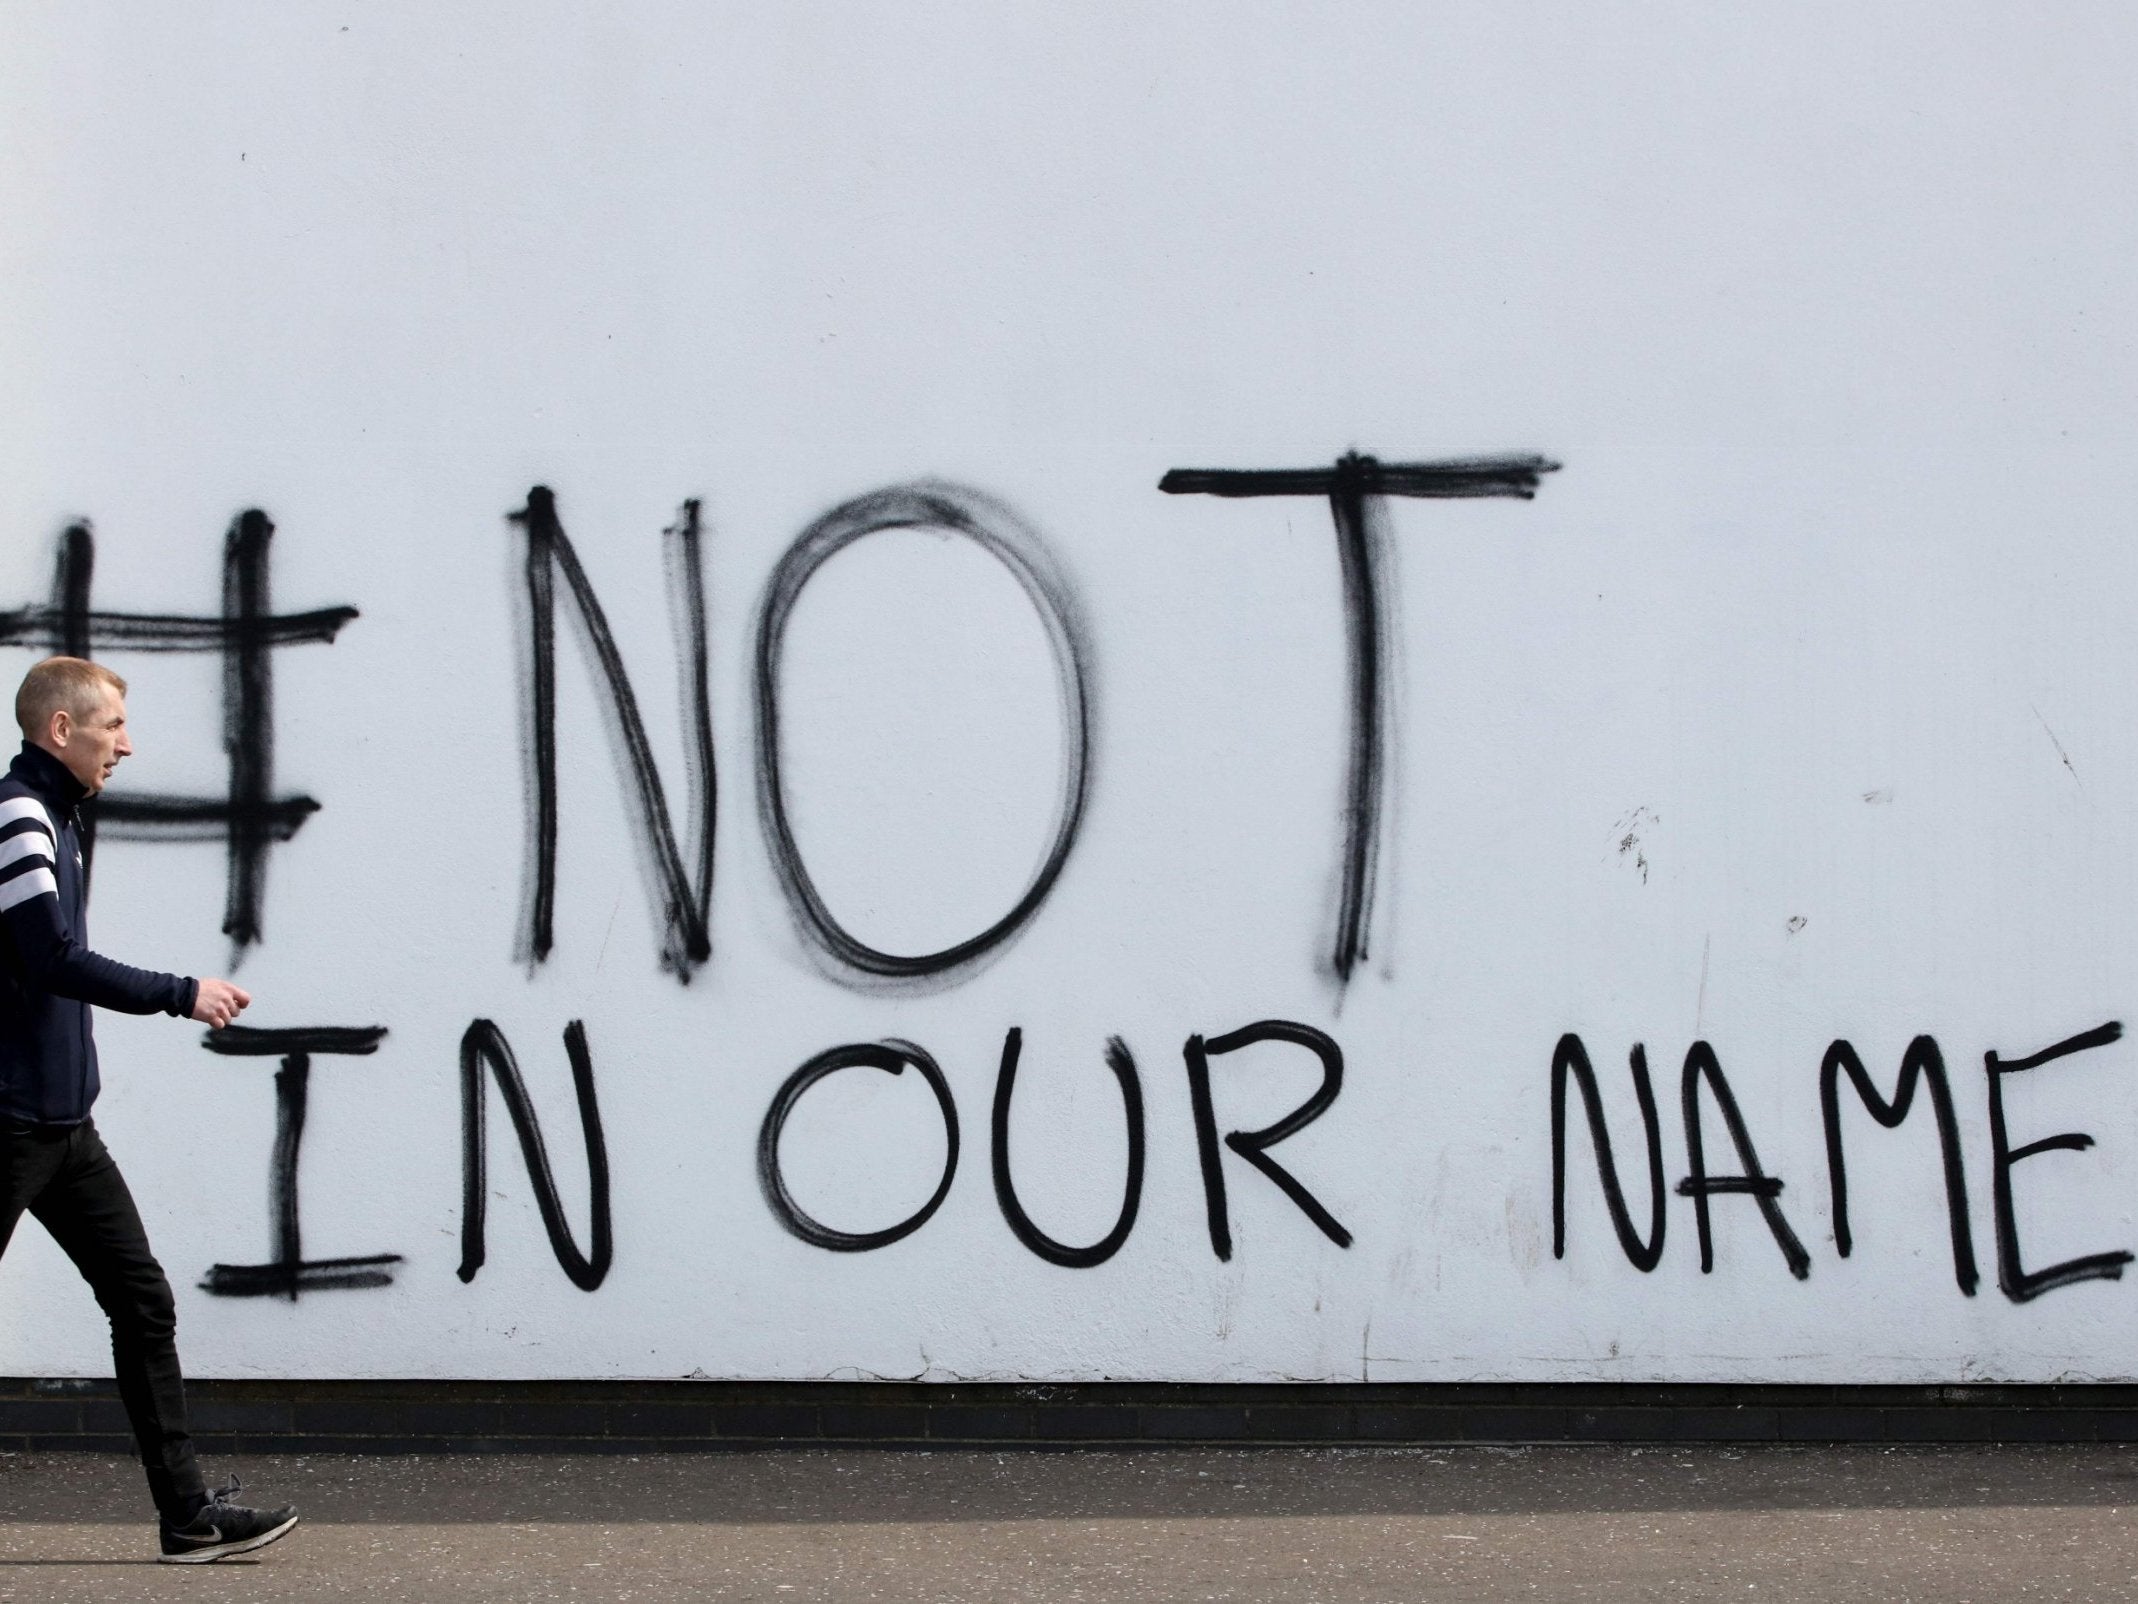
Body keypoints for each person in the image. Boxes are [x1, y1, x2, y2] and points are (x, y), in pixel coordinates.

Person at [0, 656, 299, 1563]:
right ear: (62, 730)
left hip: (63, 1129)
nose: (126, 744)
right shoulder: (18, 815)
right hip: (8, 1124)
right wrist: (181, 993)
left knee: (143, 1303)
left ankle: (189, 1517)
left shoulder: (59, 815)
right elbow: (46, 956)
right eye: (112, 727)